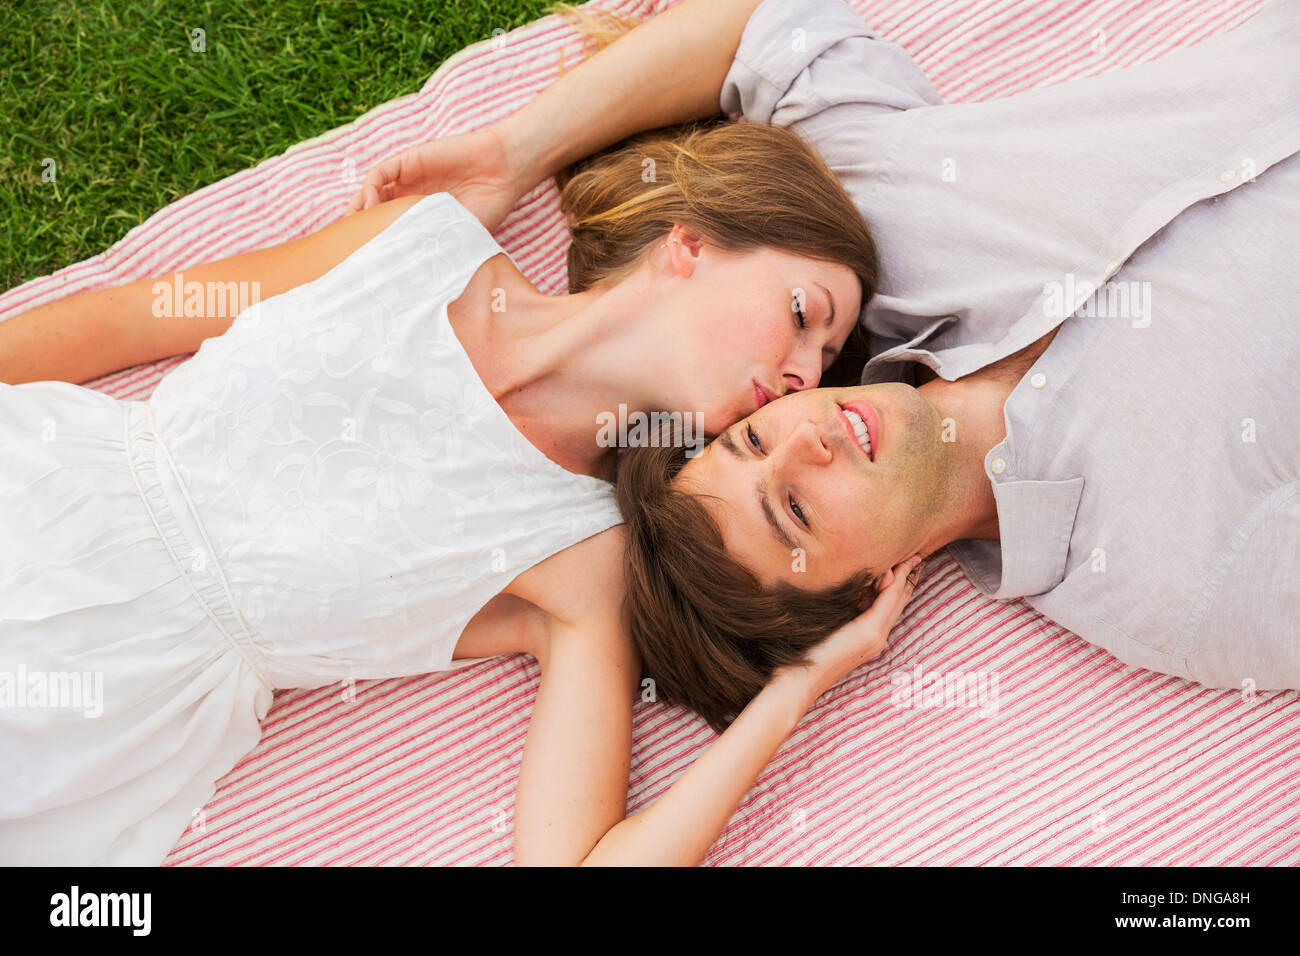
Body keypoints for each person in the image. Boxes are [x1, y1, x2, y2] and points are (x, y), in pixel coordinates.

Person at [0, 119, 926, 867]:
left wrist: (804, 682)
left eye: (822, 363)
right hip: (42, 476)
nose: (806, 373)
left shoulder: (585, 556)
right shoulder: (420, 243)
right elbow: (140, 315)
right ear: (690, 244)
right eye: (807, 316)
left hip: (98, 707)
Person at [352, 0, 1300, 724]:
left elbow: (761, 28)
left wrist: (514, 154)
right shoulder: (1176, 588)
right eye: (794, 509)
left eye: (754, 438)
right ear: (871, 591)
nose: (806, 440)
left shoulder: (862, 250)